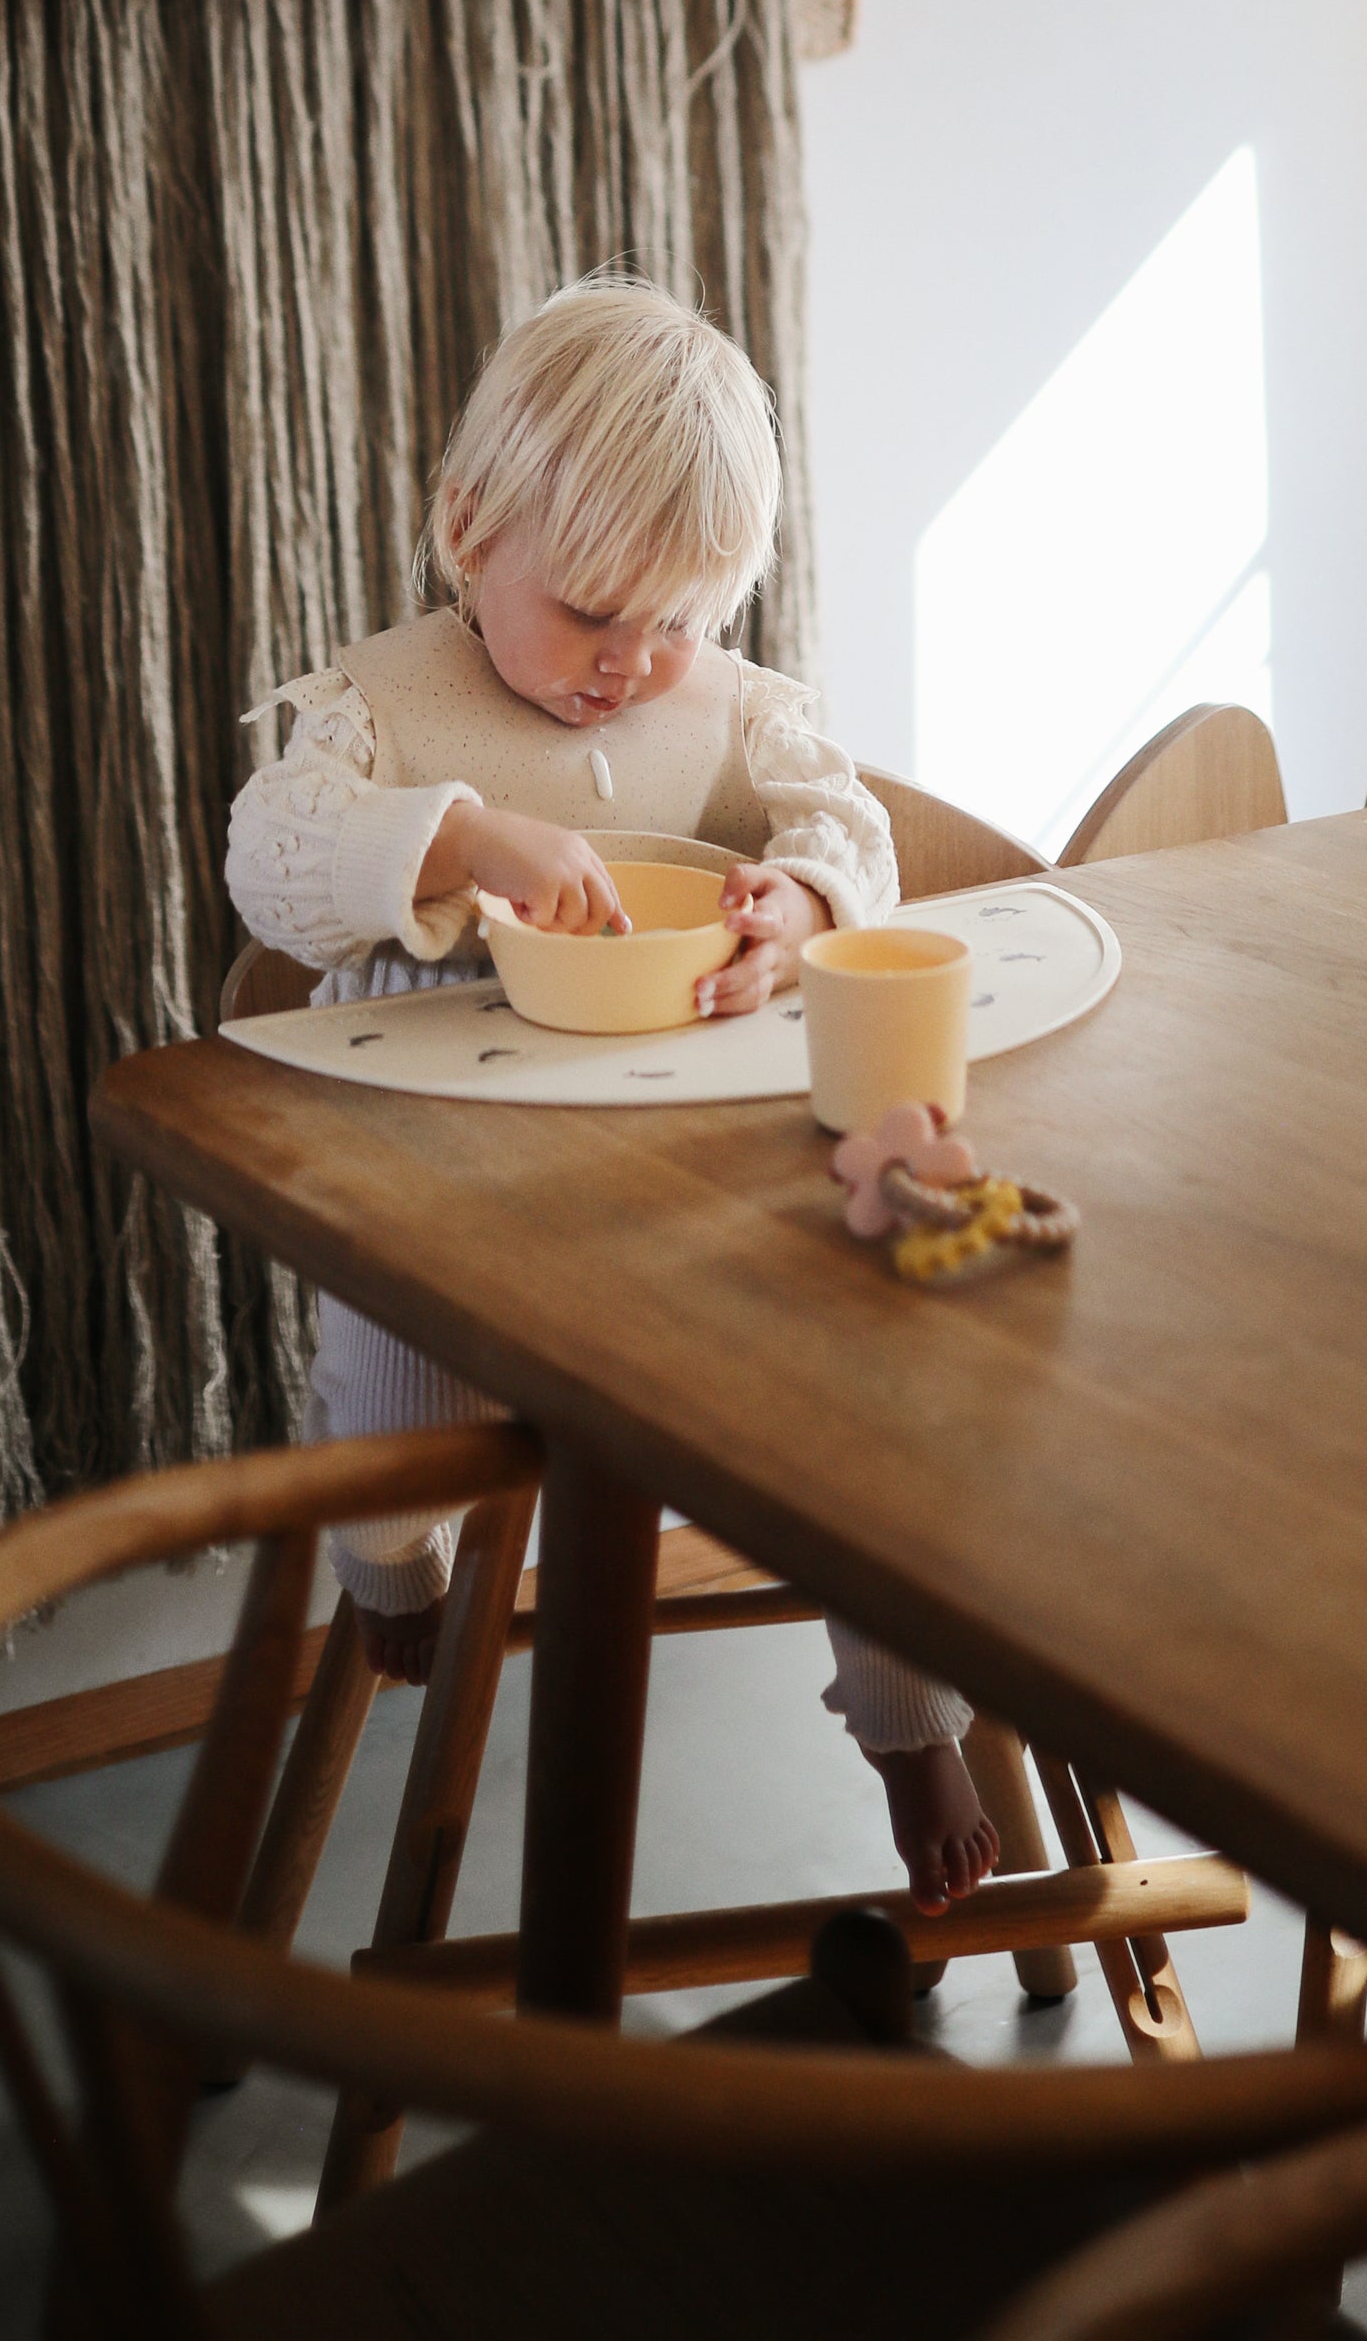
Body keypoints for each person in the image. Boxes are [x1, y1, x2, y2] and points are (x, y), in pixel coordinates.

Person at [225, 272, 1000, 1913]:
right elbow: (268, 864)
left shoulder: (733, 712)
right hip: (445, 1189)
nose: (630, 666)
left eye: (679, 627)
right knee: (390, 1362)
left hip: (693, 1188)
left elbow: (852, 826)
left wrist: (803, 900)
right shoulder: (386, 710)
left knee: (877, 1387)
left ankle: (906, 1718)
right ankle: (393, 1566)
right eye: (592, 614)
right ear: (467, 530)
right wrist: (456, 836)